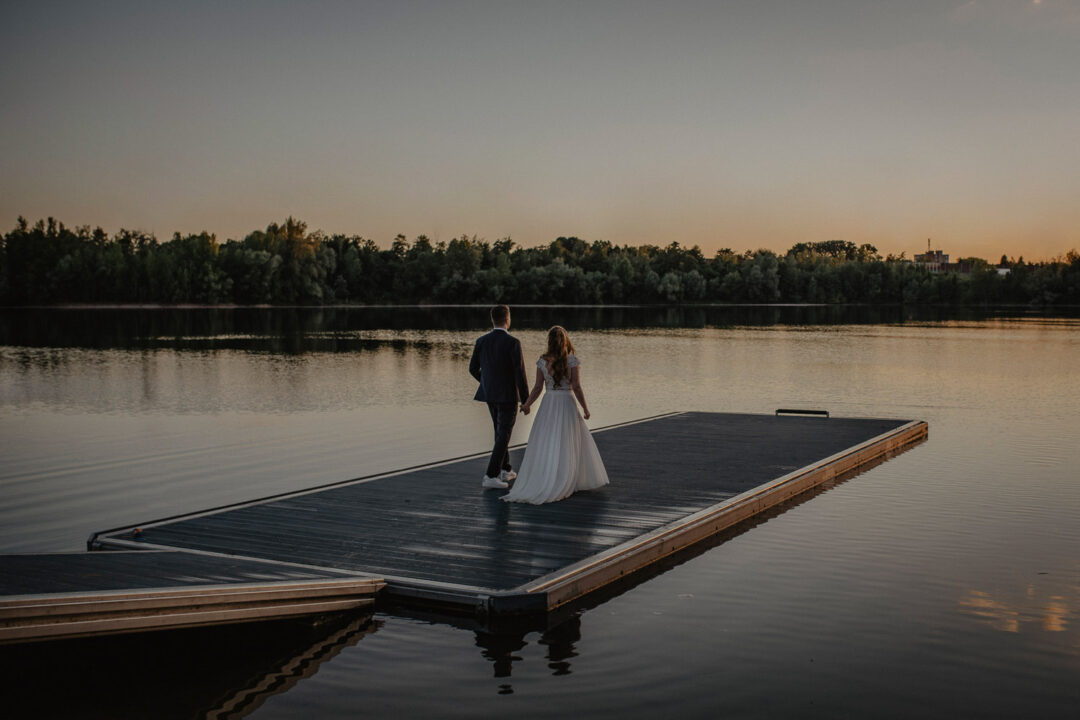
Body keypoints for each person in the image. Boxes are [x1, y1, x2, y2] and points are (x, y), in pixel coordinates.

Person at [502, 326, 609, 504]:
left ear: (549, 341)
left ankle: (551, 475)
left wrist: (527, 404)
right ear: (565, 340)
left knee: (549, 438)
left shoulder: (542, 361)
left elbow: (537, 388)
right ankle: (566, 477)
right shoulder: (572, 360)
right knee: (567, 439)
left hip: (549, 403)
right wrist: (585, 408)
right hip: (566, 403)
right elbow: (576, 387)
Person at [469, 304, 530, 489]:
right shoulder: (513, 343)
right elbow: (519, 373)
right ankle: (491, 475)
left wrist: (487, 383)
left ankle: (505, 469)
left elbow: (472, 369)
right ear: (507, 319)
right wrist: (526, 400)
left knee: (500, 431)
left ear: (492, 319)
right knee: (503, 433)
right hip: (507, 396)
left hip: (489, 394)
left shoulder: (481, 341)